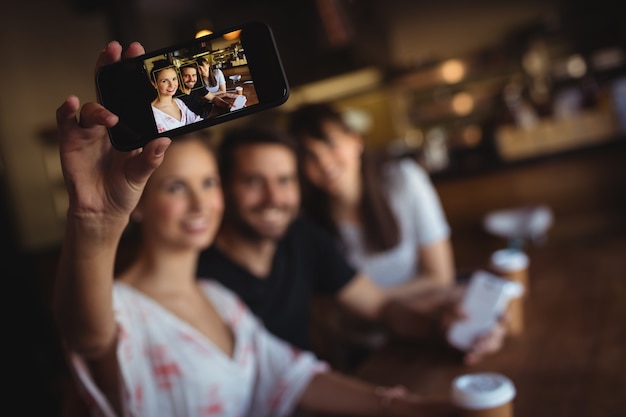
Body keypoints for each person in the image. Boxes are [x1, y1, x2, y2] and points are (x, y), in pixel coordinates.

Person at [53, 40, 457, 417]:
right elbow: (87, 337)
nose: (200, 203)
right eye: (177, 186)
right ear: (139, 203)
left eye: (207, 183)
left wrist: (413, 408)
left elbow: (293, 376)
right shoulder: (120, 308)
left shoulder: (220, 301)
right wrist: (94, 221)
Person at [196, 124, 505, 366]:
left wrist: (442, 327)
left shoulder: (303, 236)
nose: (274, 198)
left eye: (285, 180)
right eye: (253, 182)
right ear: (223, 187)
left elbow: (381, 307)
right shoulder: (198, 269)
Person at [287, 102, 454, 300]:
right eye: (310, 156)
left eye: (331, 145)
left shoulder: (403, 180)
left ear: (356, 141)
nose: (323, 162)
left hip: (425, 315)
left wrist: (367, 304)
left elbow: (441, 277)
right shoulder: (305, 223)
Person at [149, 59, 202, 133]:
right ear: (154, 83)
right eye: (164, 81)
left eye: (174, 79)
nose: (172, 85)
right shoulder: (153, 113)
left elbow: (196, 120)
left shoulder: (178, 102)